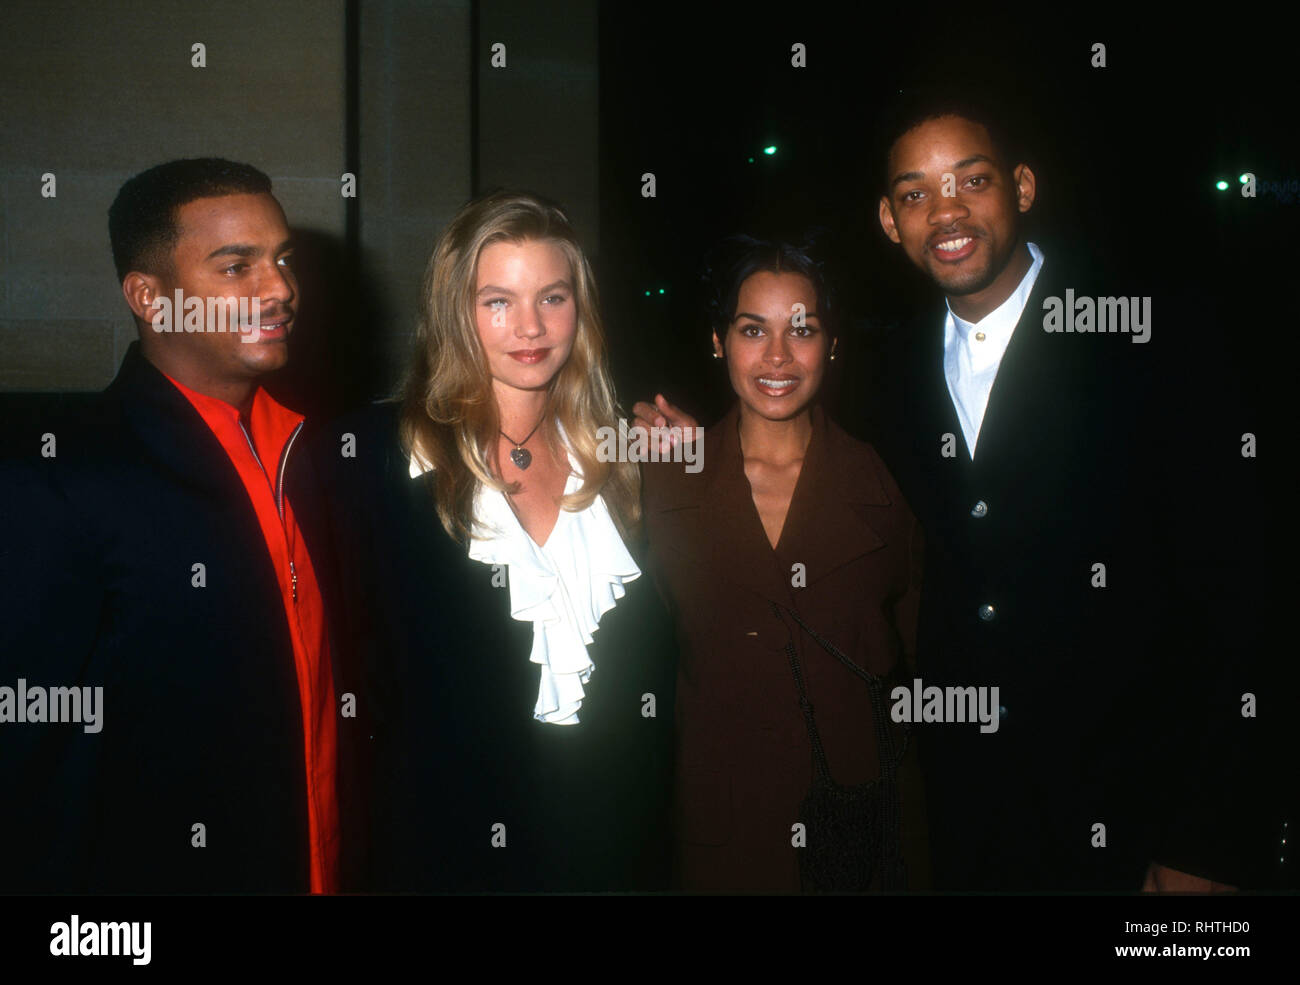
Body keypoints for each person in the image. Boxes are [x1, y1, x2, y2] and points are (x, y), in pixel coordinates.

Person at [868, 87, 1272, 891]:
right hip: (967, 820)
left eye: (970, 180)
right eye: (916, 194)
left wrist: (1207, 837)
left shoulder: (1148, 333)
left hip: (1135, 814)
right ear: (890, 221)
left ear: (1021, 187)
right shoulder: (886, 371)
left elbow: (1242, 591)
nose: (945, 211)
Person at [0, 158, 360, 893]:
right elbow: (25, 765)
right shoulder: (62, 476)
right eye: (236, 267)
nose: (281, 289)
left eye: (283, 259)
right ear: (150, 298)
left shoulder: (319, 457)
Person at [310, 190, 675, 892]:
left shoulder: (630, 464)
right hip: (439, 856)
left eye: (554, 297)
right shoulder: (369, 461)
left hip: (607, 852)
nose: (530, 326)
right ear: (457, 312)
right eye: (498, 301)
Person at [639, 235, 929, 892]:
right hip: (722, 837)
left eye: (802, 329)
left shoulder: (891, 481)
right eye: (752, 329)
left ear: (833, 345)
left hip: (862, 837)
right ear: (719, 341)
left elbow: (922, 645)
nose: (777, 355)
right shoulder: (662, 479)